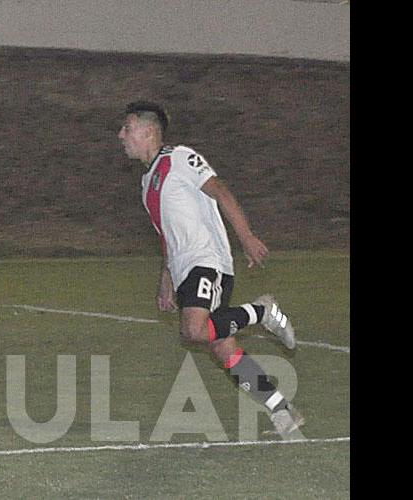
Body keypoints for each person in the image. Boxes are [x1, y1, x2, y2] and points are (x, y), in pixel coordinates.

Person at [118, 100, 305, 439]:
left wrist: (246, 236)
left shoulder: (179, 158)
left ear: (148, 131)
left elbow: (220, 191)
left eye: (127, 128)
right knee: (222, 347)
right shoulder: (147, 184)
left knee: (192, 331)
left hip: (207, 260)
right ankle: (282, 409)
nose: (121, 135)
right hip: (185, 266)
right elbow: (167, 235)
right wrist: (166, 279)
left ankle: (261, 311)